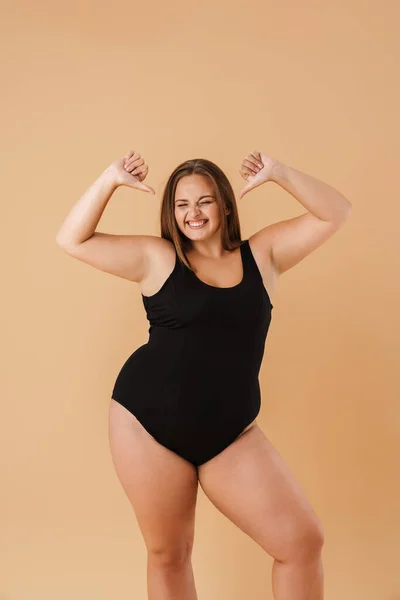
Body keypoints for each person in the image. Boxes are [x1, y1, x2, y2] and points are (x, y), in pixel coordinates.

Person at [56, 149, 352, 600]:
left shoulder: (264, 255)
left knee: (301, 541)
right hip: (147, 424)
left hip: (229, 433)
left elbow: (336, 212)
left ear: (226, 205)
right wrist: (110, 180)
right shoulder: (156, 258)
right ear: (171, 214)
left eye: (204, 201)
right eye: (182, 204)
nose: (193, 213)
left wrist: (279, 174)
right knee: (169, 555)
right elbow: (71, 239)